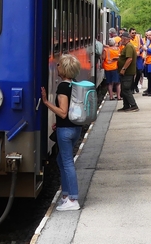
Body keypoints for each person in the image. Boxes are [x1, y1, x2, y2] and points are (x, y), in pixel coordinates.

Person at [40, 54, 84, 211]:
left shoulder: (63, 87)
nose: (56, 66)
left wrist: (46, 102)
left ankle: (73, 199)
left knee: (67, 162)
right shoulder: (75, 85)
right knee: (61, 160)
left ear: (64, 69)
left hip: (65, 131)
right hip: (75, 128)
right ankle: (65, 195)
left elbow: (63, 112)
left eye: (59, 65)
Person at [117, 31, 139, 112]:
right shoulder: (127, 46)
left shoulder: (129, 46)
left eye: (121, 39)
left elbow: (129, 59)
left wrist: (123, 69)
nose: (121, 40)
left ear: (125, 39)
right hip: (126, 72)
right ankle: (126, 106)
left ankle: (133, 105)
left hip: (128, 72)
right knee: (124, 89)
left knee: (126, 89)